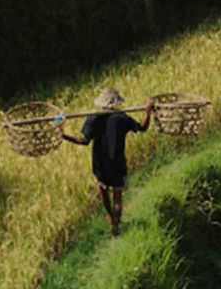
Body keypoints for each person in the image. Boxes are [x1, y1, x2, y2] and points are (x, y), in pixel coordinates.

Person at [63, 88, 154, 236]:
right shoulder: (122, 118)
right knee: (117, 196)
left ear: (102, 103)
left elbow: (84, 141)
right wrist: (147, 111)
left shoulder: (94, 118)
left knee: (103, 191)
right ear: (116, 103)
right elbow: (143, 128)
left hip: (100, 164)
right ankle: (115, 227)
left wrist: (63, 136)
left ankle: (111, 217)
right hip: (117, 163)